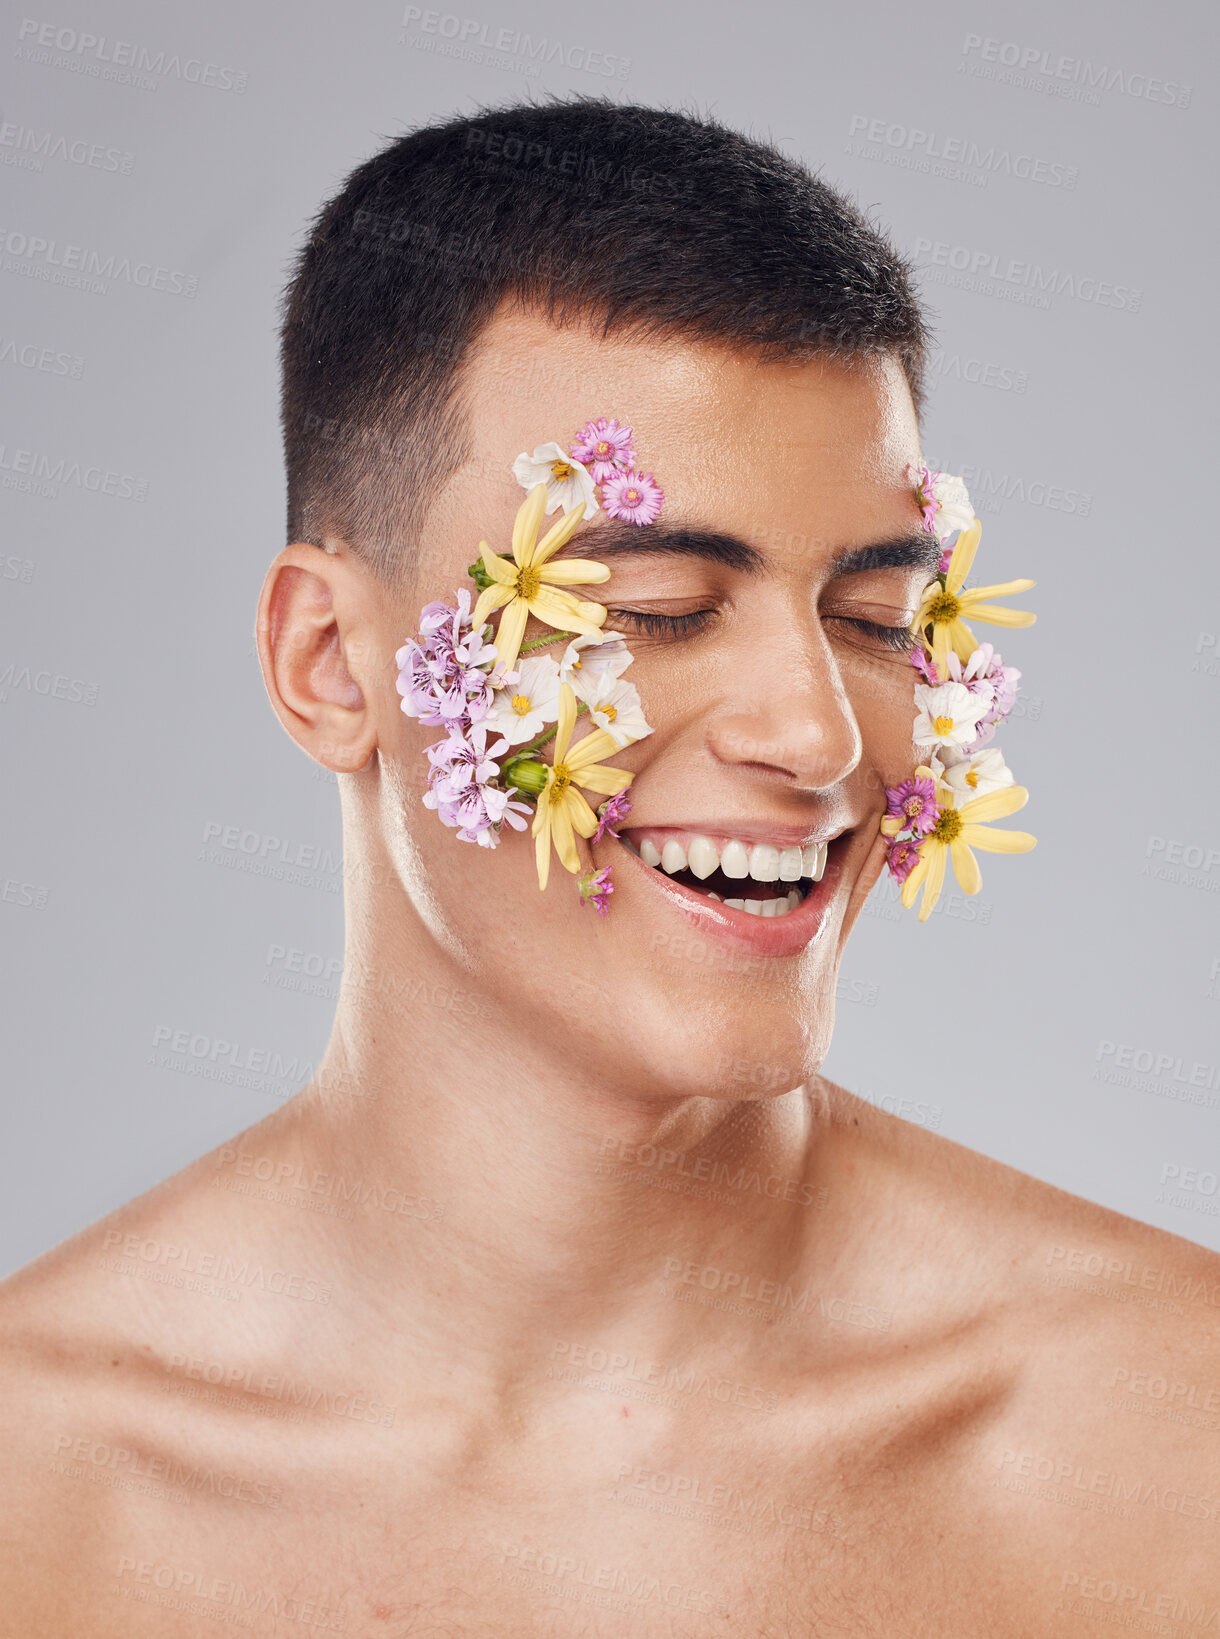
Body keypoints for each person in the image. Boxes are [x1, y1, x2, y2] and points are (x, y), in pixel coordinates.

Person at [1, 98, 1216, 1636]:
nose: (818, 732)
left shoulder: (1174, 1443)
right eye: (654, 605)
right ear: (327, 663)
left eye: (874, 617)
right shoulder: (38, 1495)